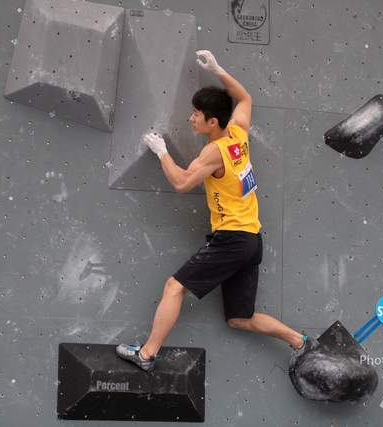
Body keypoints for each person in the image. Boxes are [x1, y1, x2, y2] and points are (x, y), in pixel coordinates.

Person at [116, 50, 316, 372]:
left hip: (232, 238)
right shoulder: (238, 133)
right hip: (251, 240)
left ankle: (146, 355)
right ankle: (300, 342)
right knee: (239, 318)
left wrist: (162, 152)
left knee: (174, 287)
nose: (190, 119)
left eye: (196, 114)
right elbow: (244, 98)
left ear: (212, 121)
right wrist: (218, 70)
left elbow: (182, 183)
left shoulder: (214, 153)